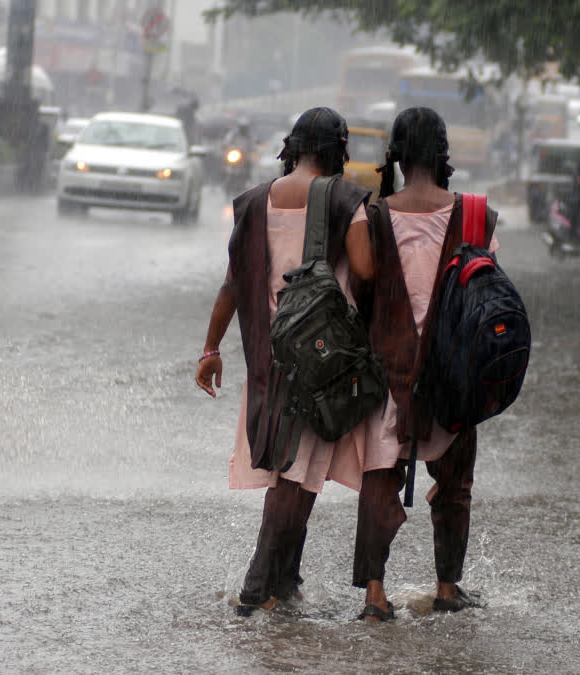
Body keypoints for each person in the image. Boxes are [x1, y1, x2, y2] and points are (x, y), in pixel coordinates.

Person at [193, 107, 373, 616]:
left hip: (266, 357)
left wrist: (210, 350)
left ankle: (284, 584)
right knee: (296, 479)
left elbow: (232, 282)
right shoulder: (345, 198)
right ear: (339, 151)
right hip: (319, 360)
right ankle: (257, 590)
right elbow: (364, 268)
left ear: (291, 148)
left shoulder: (253, 202)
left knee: (293, 473)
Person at [349, 107, 501, 622]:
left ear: (394, 153)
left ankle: (374, 594)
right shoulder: (477, 215)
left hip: (386, 373)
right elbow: (489, 296)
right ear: (444, 154)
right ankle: (447, 588)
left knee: (378, 479)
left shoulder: (371, 214)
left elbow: (358, 290)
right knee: (455, 484)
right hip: (453, 376)